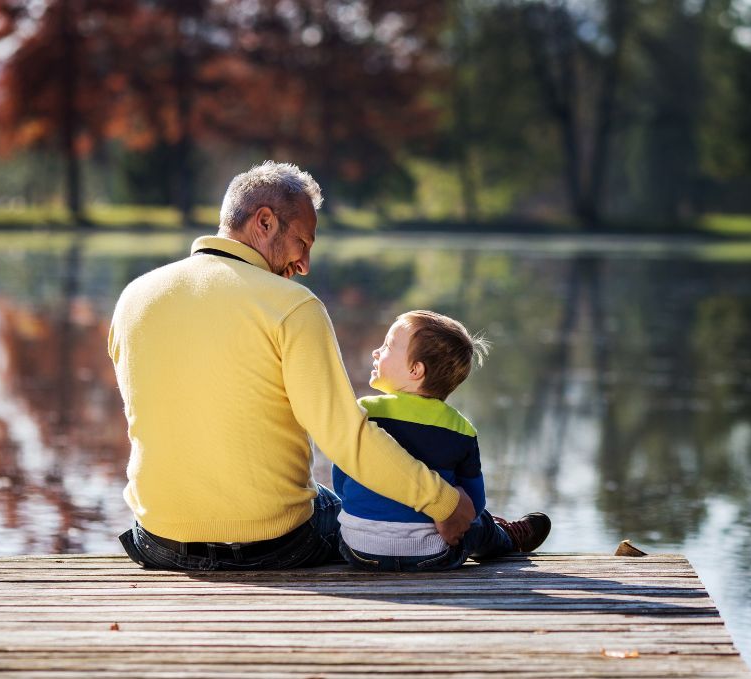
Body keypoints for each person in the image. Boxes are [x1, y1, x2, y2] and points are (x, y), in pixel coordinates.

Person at [108, 161, 476, 570]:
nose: (304, 265)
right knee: (387, 516)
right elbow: (346, 440)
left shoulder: (133, 299)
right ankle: (489, 531)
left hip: (160, 542)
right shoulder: (292, 306)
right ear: (264, 222)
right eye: (303, 241)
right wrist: (443, 501)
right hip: (273, 545)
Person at [334, 310, 550, 572]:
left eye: (387, 346)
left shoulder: (363, 412)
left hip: (358, 551)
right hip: (433, 555)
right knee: (476, 521)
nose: (376, 352)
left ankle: (500, 530)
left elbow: (341, 479)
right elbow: (473, 504)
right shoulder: (461, 429)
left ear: (416, 370)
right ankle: (506, 538)